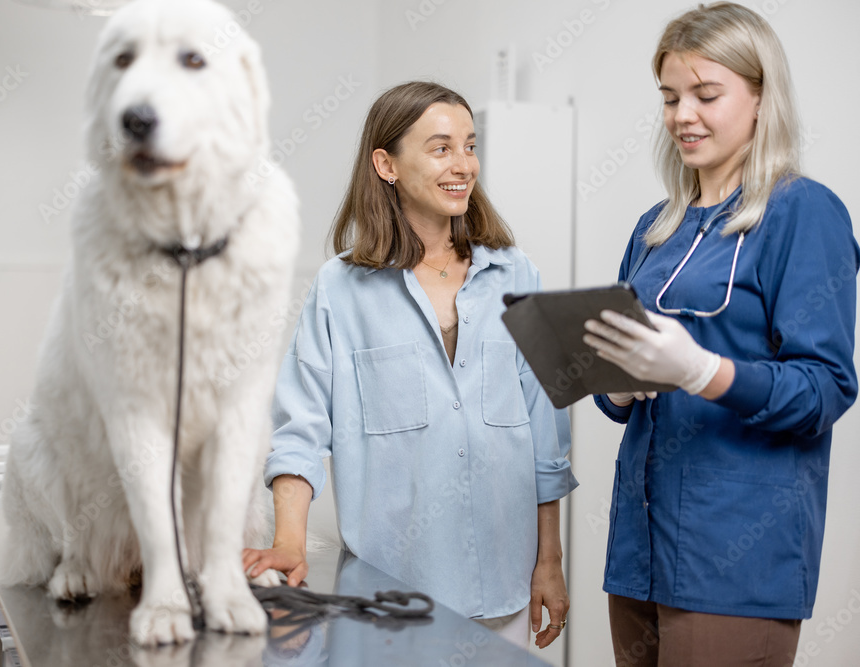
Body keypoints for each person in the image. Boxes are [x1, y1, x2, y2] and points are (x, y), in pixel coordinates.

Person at [242, 81, 578, 650]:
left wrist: (550, 560)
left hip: (505, 591)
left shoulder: (519, 275)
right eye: (441, 147)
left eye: (469, 146)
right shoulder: (339, 290)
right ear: (386, 164)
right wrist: (290, 543)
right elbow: (300, 428)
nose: (463, 165)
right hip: (389, 600)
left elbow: (546, 436)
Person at [581, 3, 858, 665]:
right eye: (671, 97)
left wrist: (702, 371)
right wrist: (616, 386)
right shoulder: (657, 226)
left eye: (706, 95)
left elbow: (826, 389)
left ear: (762, 97)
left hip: (735, 558)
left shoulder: (802, 211)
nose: (682, 115)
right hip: (639, 551)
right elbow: (614, 388)